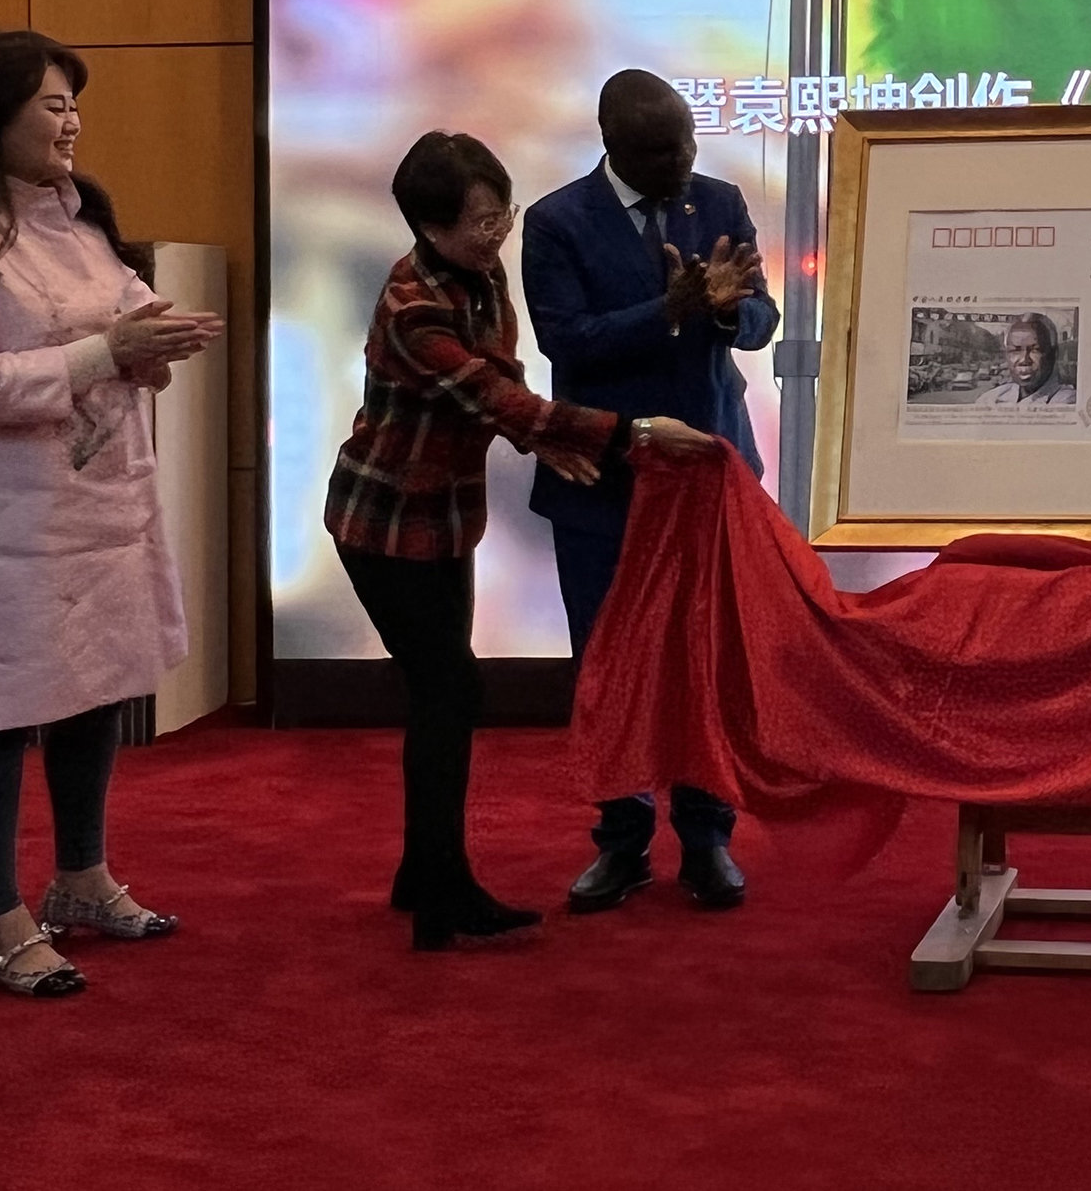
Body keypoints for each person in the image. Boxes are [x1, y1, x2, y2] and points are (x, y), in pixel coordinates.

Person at [0, 29, 223, 998]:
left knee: (95, 686)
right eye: (52, 105)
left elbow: (129, 315)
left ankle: (81, 878)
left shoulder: (77, 217)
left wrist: (153, 342)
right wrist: (110, 353)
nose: (72, 122)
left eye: (74, 104)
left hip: (89, 504)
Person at [324, 131, 628, 951]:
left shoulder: (481, 271)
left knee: (444, 694)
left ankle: (422, 875)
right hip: (383, 520)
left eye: (502, 214)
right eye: (480, 222)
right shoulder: (412, 303)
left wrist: (541, 436)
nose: (497, 234)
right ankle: (442, 889)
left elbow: (503, 382)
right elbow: (487, 391)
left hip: (448, 514)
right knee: (449, 691)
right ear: (429, 225)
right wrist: (620, 434)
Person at [521, 70, 779, 913]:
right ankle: (622, 839)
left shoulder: (720, 201)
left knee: (705, 658)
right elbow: (566, 342)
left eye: (688, 142)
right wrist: (664, 309)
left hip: (706, 468)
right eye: (663, 150)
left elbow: (760, 320)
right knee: (609, 662)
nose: (683, 160)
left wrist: (726, 312)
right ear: (613, 143)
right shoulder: (556, 221)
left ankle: (707, 838)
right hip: (604, 476)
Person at [975, 313, 1077, 406]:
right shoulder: (989, 399)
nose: (1024, 360)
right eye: (1015, 350)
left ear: (1053, 354)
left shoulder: (1068, 401)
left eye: (1035, 350)